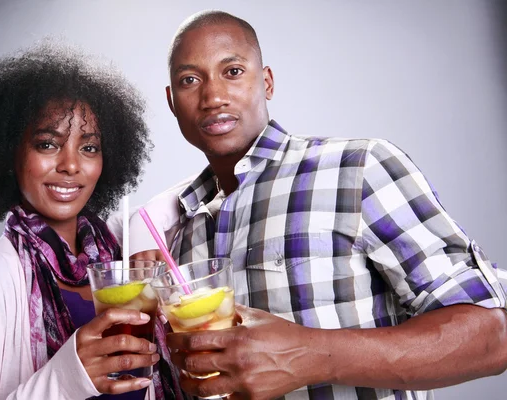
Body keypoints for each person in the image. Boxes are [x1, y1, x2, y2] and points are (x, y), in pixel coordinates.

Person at [134, 10, 507, 400]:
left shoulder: (357, 168)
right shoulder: (180, 228)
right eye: (190, 80)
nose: (212, 97)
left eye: (232, 72)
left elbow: (492, 336)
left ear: (266, 82)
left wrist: (311, 355)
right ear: (172, 101)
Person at [0, 42, 185, 400]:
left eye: (89, 147)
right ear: (7, 152)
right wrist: (66, 377)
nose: (71, 165)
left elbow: (185, 194)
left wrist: (140, 228)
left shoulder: (121, 259)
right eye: (47, 144)